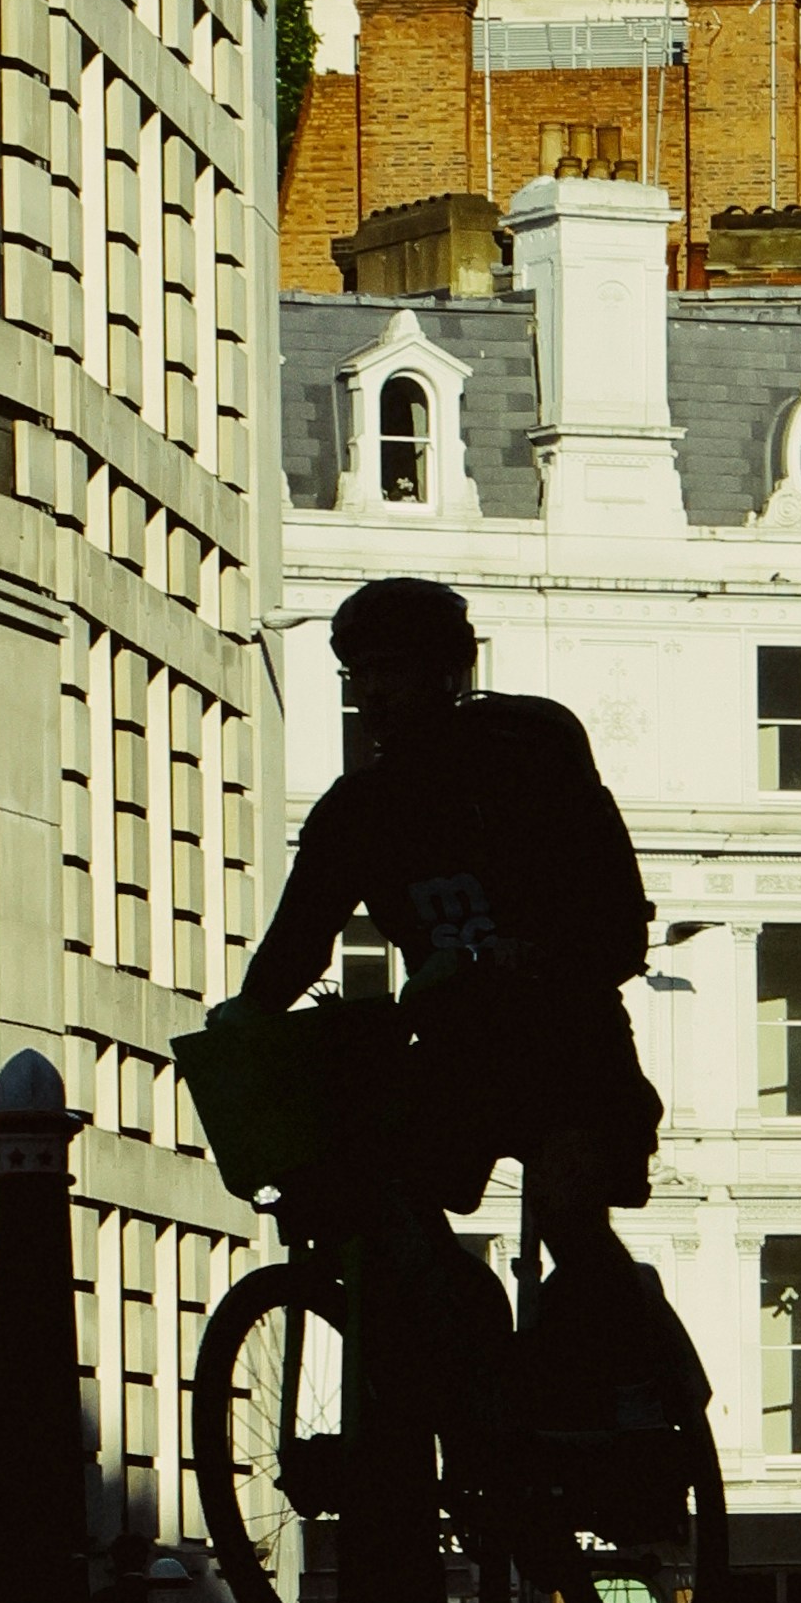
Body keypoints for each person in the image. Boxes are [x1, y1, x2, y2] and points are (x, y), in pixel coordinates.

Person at [234, 583, 668, 1383]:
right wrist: (246, 1014)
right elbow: (299, 938)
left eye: (392, 669)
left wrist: (532, 954)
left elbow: (615, 923)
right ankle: (469, 1368)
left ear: (449, 672)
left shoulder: (530, 768)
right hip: (456, 1061)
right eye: (358, 674)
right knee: (382, 1209)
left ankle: (638, 1389)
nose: (373, 692)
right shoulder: (358, 810)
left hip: (570, 1051)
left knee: (569, 1211)